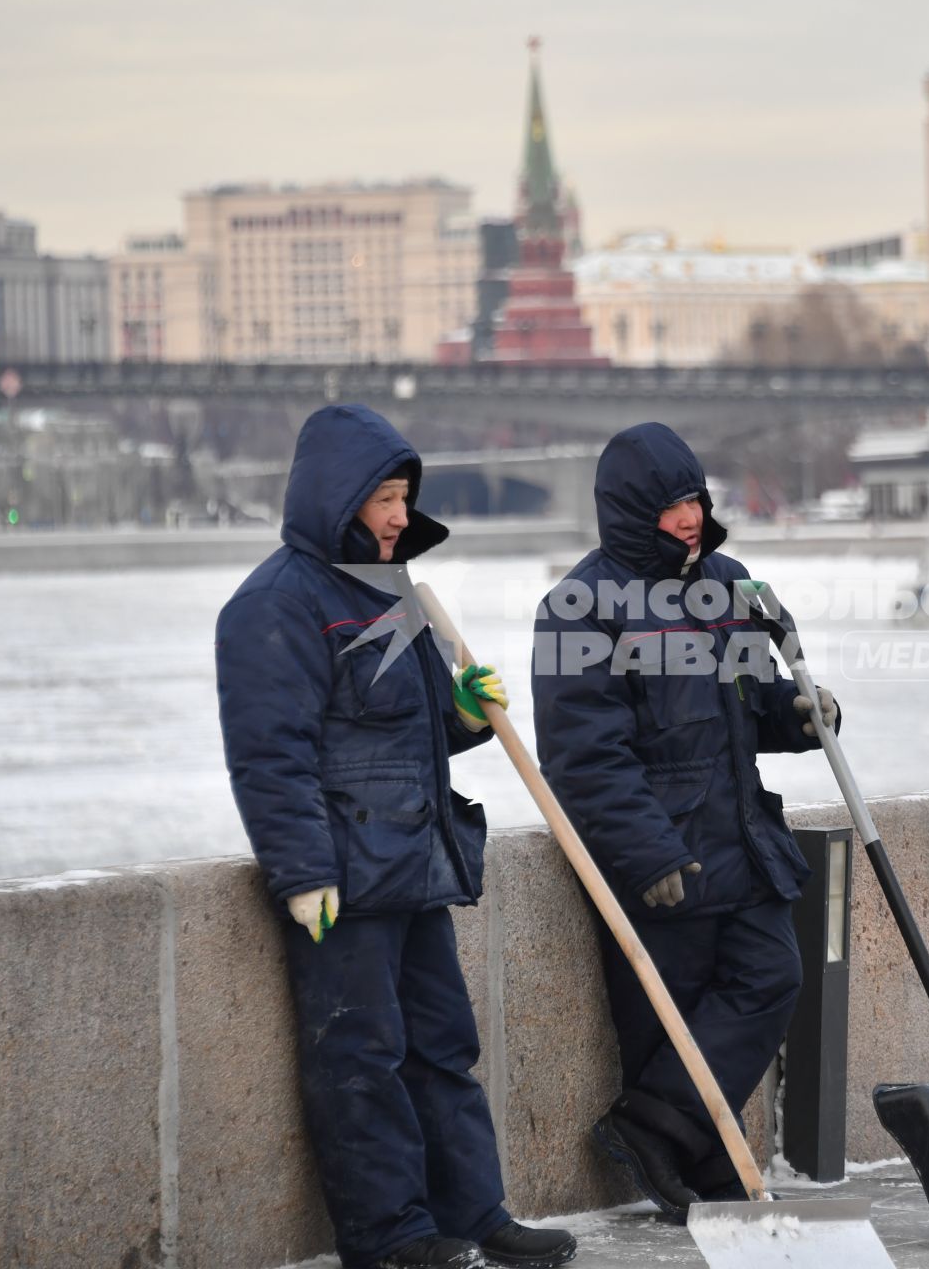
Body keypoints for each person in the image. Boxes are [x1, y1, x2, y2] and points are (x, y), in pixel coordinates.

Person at [216, 404, 576, 1269]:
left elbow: (408, 732)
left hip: (416, 863)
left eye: (404, 496)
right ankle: (391, 1239)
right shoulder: (273, 606)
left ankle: (475, 1215)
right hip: (345, 881)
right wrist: (302, 873)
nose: (397, 515)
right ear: (337, 498)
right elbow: (272, 757)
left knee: (444, 1048)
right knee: (361, 1060)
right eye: (382, 496)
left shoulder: (395, 593)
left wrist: (460, 715)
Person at [530, 422, 839, 1222]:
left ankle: (648, 1129)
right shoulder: (579, 607)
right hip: (662, 855)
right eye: (671, 507)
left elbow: (751, 705)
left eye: (694, 498)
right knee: (663, 1016)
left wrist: (800, 713)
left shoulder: (728, 585)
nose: (690, 517)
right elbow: (583, 757)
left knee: (774, 975)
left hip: (741, 841)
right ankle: (704, 1170)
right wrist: (645, 853)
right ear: (634, 515)